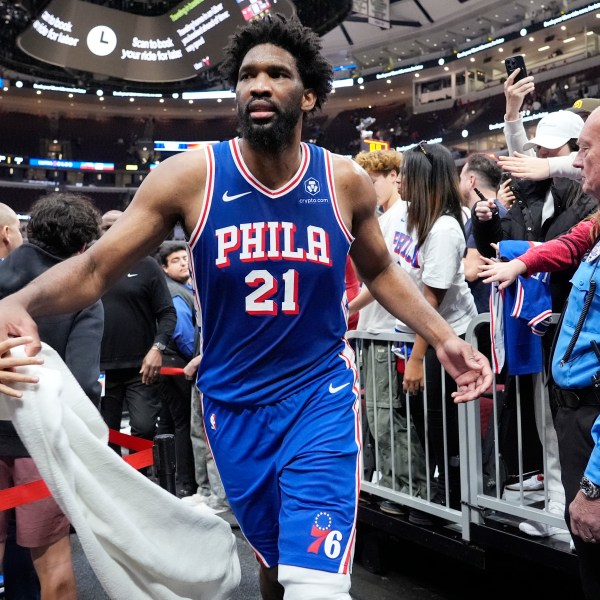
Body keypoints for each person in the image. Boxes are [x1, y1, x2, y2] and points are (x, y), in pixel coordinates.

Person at [0, 15, 491, 599]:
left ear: (307, 95)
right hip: (233, 405)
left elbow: (381, 268)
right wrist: (19, 301)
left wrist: (443, 336)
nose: (258, 84)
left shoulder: (344, 180)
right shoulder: (189, 177)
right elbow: (95, 266)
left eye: (276, 74)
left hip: (319, 396)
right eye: (247, 75)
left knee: (317, 585)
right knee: (277, 565)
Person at [477, 106, 600, 597]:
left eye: (584, 151)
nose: (576, 161)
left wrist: (593, 487)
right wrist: (522, 263)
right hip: (578, 413)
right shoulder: (594, 223)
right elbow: (566, 245)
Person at [0, 192, 104, 600]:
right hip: (40, 443)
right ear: (82, 248)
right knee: (55, 565)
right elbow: (81, 383)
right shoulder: (81, 296)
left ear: (29, 230)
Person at [349, 149, 429, 519]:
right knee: (374, 418)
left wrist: (348, 307)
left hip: (389, 329)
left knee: (386, 417)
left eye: (376, 179)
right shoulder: (381, 217)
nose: (370, 187)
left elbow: (389, 277)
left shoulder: (406, 215)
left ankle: (406, 489)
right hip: (373, 329)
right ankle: (393, 485)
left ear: (395, 176)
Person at [98, 210, 176, 455]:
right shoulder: (91, 264)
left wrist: (157, 348)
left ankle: (141, 486)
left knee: (143, 430)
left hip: (140, 367)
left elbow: (167, 313)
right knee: (102, 435)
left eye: (116, 226)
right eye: (106, 227)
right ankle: (108, 490)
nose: (111, 232)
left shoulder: (147, 265)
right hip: (99, 370)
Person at [156, 241, 197, 498]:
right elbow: (184, 335)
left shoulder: (184, 289)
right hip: (178, 363)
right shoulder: (175, 293)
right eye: (176, 260)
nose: (183, 263)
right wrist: (198, 357)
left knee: (171, 422)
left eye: (185, 258)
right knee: (183, 423)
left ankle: (171, 480)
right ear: (164, 268)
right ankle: (185, 482)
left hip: (170, 363)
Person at [458, 153, 507, 313]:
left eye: (461, 179)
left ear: (471, 180)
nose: (458, 185)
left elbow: (471, 270)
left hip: (483, 316)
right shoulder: (498, 210)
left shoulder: (485, 214)